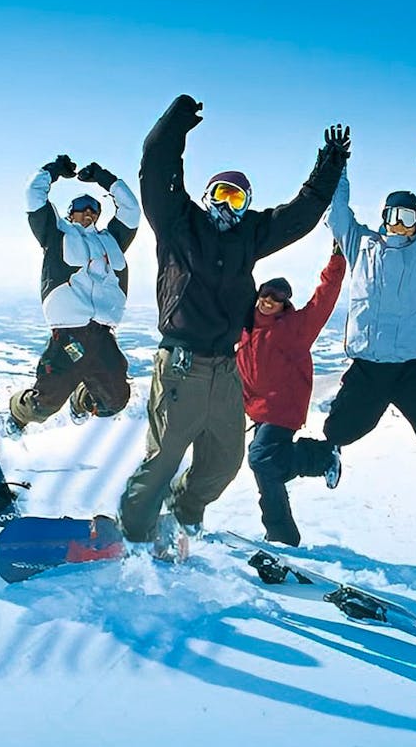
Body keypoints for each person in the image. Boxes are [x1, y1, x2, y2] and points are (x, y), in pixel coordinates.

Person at [116, 93, 349, 550]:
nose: (227, 203)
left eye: (236, 196)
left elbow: (299, 216)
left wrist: (330, 165)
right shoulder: (179, 224)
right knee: (164, 457)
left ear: (245, 205)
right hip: (180, 362)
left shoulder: (249, 237)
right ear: (207, 197)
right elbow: (156, 168)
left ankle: (184, 514)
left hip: (225, 367)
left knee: (225, 459)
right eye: (220, 193)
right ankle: (133, 531)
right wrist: (175, 123)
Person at [310, 136, 416, 463]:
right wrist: (336, 164)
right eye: (393, 215)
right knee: (336, 432)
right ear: (383, 217)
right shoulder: (361, 245)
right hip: (367, 366)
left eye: (407, 217)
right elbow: (335, 212)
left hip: (410, 369)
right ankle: (361, 414)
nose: (399, 224)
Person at [5, 155, 141, 434]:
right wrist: (54, 170)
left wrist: (103, 177)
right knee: (45, 402)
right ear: (70, 214)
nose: (89, 211)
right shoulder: (57, 233)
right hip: (70, 332)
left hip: (103, 333)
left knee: (115, 400)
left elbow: (131, 210)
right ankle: (18, 412)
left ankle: (81, 401)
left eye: (93, 208)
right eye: (81, 207)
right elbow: (34, 195)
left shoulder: (111, 240)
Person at [237, 243, 346, 546]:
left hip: (284, 409)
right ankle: (282, 536)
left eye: (278, 298)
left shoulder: (294, 327)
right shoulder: (242, 327)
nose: (269, 301)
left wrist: (336, 260)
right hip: (257, 411)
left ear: (285, 304)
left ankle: (321, 457)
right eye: (265, 295)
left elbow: (322, 301)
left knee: (260, 459)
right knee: (267, 473)